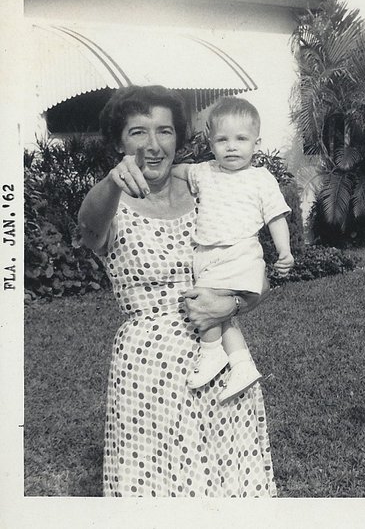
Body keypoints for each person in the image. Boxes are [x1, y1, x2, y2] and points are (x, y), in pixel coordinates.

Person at [78, 85, 278, 497]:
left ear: (178, 139)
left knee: (226, 484)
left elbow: (258, 276)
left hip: (220, 360)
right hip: (149, 373)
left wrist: (232, 303)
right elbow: (88, 226)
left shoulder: (206, 191)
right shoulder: (110, 204)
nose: (153, 145)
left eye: (164, 131)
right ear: (118, 141)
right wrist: (112, 183)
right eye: (138, 132)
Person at [170, 97, 293, 403]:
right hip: (208, 255)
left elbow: (275, 217)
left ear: (256, 143)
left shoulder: (260, 179)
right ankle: (241, 364)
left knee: (202, 301)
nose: (231, 147)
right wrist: (157, 168)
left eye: (241, 139)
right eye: (222, 140)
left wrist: (285, 251)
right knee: (221, 315)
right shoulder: (205, 172)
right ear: (211, 144)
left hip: (240, 252)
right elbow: (179, 171)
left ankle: (212, 353)